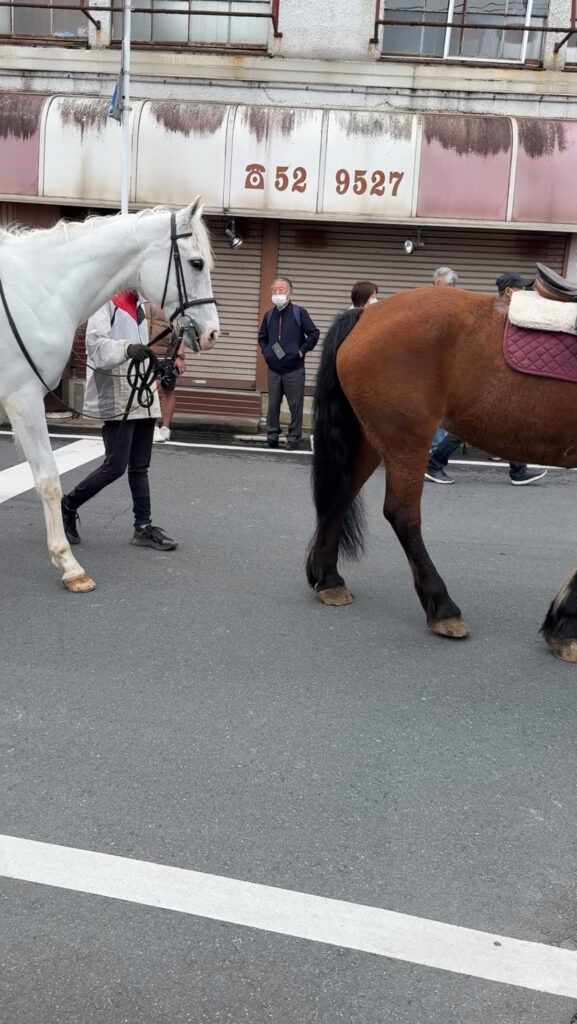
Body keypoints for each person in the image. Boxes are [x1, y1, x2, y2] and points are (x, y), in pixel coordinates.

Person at [61, 289, 177, 550]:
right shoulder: (106, 301)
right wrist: (127, 348)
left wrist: (157, 364)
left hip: (142, 389)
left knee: (140, 466)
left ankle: (143, 527)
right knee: (115, 466)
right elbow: (95, 344)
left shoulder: (141, 304)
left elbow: (143, 348)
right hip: (117, 393)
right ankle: (68, 504)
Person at [425, 271, 547, 486]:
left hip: (497, 380)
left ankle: (518, 470)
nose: (526, 293)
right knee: (468, 426)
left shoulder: (508, 313)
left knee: (510, 424)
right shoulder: (496, 315)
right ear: (509, 292)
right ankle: (434, 464)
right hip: (486, 381)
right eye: (522, 289)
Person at [258, 276, 319, 450]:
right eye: (275, 291)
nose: (278, 294)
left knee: (295, 404)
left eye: (281, 290)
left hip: (294, 368)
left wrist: (301, 351)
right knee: (273, 403)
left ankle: (293, 437)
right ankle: (272, 435)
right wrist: (266, 352)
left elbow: (314, 333)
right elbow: (262, 337)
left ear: (290, 293)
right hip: (274, 369)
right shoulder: (269, 315)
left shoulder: (299, 313)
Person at [147, 303, 187, 443]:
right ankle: (153, 426)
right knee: (152, 389)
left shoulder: (172, 301)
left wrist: (180, 356)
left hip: (168, 354)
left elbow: (182, 329)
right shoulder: (141, 298)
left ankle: (165, 428)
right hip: (146, 353)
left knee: (168, 389)